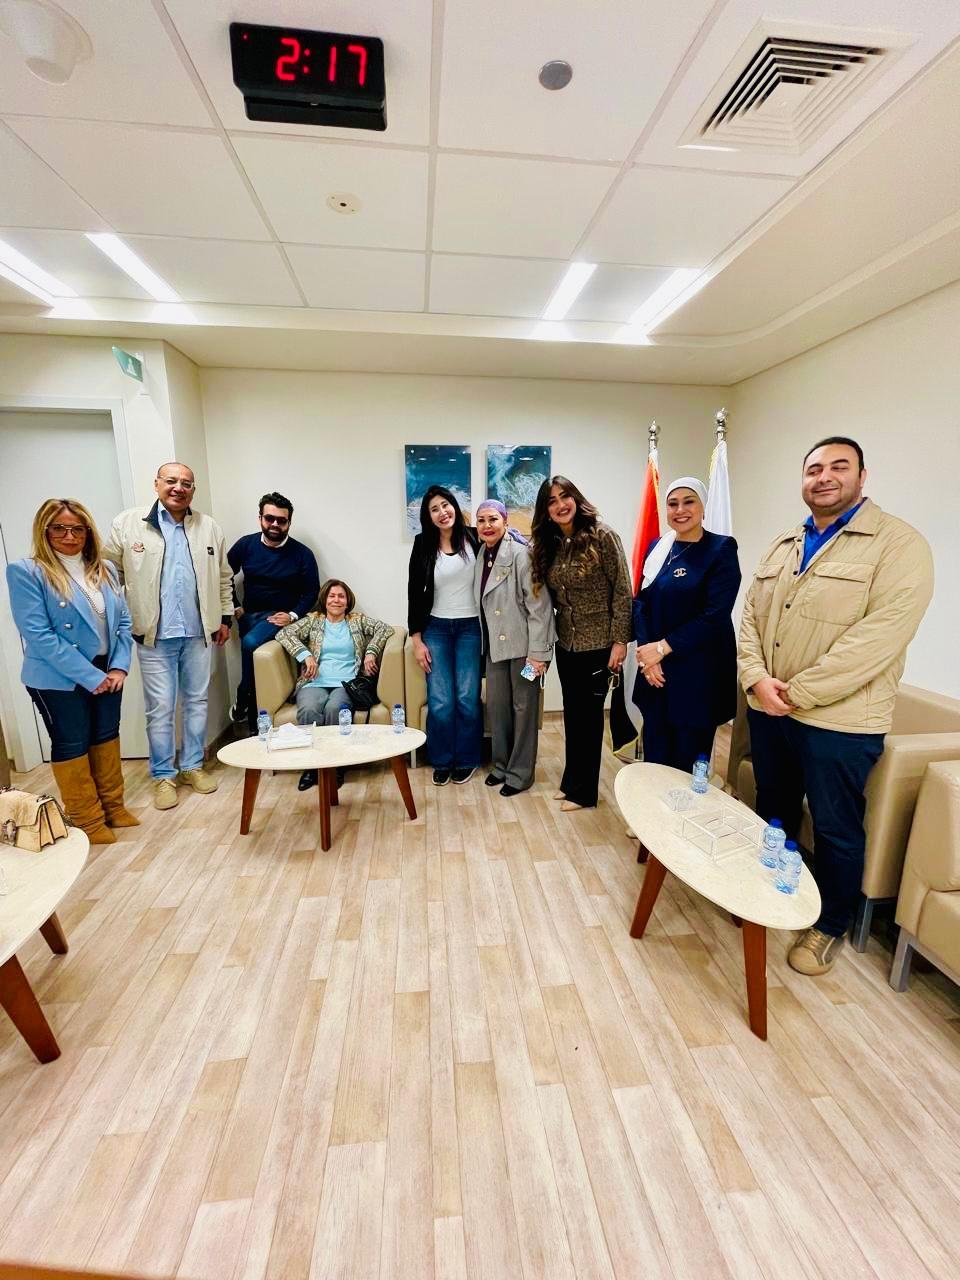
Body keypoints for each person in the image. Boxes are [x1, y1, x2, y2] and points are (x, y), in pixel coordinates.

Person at [739, 436, 933, 977]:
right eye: (814, 469)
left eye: (838, 467)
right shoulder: (784, 543)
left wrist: (795, 693)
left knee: (835, 827)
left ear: (862, 477)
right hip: (771, 711)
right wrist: (756, 679)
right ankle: (772, 892)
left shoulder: (898, 546)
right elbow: (749, 618)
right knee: (774, 807)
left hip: (839, 722)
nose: (824, 477)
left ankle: (828, 925)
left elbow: (876, 641)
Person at [103, 462, 233, 811]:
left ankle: (192, 766)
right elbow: (108, 575)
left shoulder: (208, 527)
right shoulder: (129, 524)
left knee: (197, 702)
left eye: (186, 483)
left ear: (194, 490)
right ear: (156, 484)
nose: (179, 488)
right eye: (171, 481)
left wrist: (224, 618)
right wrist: (122, 619)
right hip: (154, 636)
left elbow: (223, 577)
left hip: (198, 633)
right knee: (160, 708)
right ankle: (163, 775)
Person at [6, 499, 136, 842]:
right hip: (58, 677)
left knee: (106, 735)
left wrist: (119, 667)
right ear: (44, 531)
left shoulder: (105, 569)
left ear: (88, 532)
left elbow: (123, 622)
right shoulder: (27, 572)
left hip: (108, 671)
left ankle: (113, 808)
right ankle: (88, 821)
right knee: (72, 742)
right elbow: (39, 635)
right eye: (59, 528)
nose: (69, 535)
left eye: (78, 528)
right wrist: (91, 677)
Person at [530, 475, 631, 810]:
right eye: (552, 501)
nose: (561, 505)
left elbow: (622, 591)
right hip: (567, 644)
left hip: (599, 643)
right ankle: (571, 782)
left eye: (565, 496)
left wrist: (620, 641)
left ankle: (584, 793)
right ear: (545, 510)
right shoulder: (553, 543)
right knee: (573, 716)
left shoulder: (603, 536)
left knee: (589, 719)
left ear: (576, 498)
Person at [632, 477, 741, 772]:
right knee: (655, 762)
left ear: (703, 507)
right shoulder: (658, 547)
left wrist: (662, 648)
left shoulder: (721, 549)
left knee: (686, 767)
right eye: (673, 504)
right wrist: (647, 653)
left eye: (689, 502)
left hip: (697, 677)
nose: (680, 510)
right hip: (656, 673)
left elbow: (714, 615)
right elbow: (640, 603)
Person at [275, 578, 393, 791]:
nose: (336, 600)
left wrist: (371, 652)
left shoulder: (356, 621)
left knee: (335, 708)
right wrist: (305, 656)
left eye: (341, 596)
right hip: (314, 682)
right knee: (309, 709)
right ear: (324, 600)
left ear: (347, 601)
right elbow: (284, 633)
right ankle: (312, 766)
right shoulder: (313, 621)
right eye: (332, 596)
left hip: (345, 683)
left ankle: (336, 765)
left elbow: (384, 629)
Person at [474, 499, 556, 796]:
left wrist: (538, 655)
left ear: (505, 521)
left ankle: (520, 774)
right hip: (496, 648)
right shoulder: (483, 553)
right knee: (497, 709)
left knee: (524, 709)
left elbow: (540, 608)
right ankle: (501, 766)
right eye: (481, 520)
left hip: (526, 651)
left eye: (493, 519)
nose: (487, 526)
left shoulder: (522, 554)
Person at [407, 485, 483, 786]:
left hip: (470, 628)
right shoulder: (422, 544)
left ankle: (466, 759)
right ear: (428, 517)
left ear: (454, 505)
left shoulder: (476, 537)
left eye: (445, 505)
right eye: (434, 509)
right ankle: (440, 760)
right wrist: (417, 640)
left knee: (467, 698)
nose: (442, 512)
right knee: (440, 701)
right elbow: (414, 593)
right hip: (436, 629)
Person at [227, 491, 320, 732]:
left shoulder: (302, 553)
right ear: (260, 518)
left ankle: (243, 693)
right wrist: (234, 605)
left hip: (281, 620)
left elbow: (312, 592)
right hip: (250, 617)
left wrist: (292, 615)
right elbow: (223, 575)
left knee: (250, 643)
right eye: (270, 518)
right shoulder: (246, 545)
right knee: (256, 668)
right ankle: (255, 730)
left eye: (282, 520)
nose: (275, 524)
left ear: (289, 522)